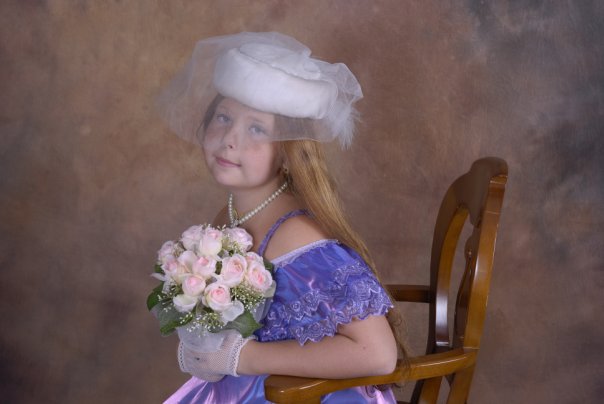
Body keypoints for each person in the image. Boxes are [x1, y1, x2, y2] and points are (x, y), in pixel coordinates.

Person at [157, 31, 406, 403]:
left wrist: (244, 357)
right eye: (223, 117)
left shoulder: (296, 235)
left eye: (256, 128)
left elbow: (378, 354)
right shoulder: (231, 218)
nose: (230, 138)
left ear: (287, 153)